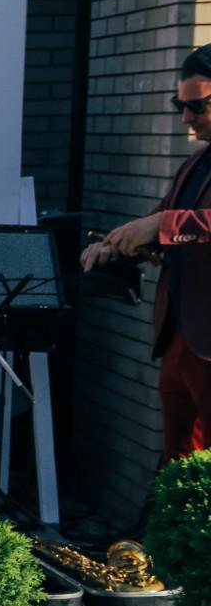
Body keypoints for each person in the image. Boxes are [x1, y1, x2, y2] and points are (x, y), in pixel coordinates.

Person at [84, 43, 211, 462]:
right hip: (180, 338)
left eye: (196, 106)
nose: (186, 118)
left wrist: (160, 226)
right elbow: (158, 225)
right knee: (177, 464)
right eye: (180, 105)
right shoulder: (196, 163)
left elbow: (167, 224)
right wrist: (114, 246)